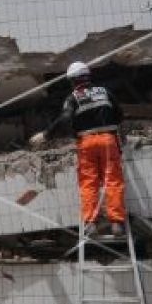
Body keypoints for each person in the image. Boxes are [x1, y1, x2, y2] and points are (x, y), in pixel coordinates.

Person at [30, 61, 126, 237]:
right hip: (108, 140)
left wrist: (46, 135)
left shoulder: (73, 97)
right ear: (88, 76)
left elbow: (66, 117)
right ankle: (117, 223)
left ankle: (90, 223)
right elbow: (119, 115)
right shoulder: (105, 92)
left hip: (87, 141)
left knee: (89, 183)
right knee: (113, 180)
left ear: (73, 80)